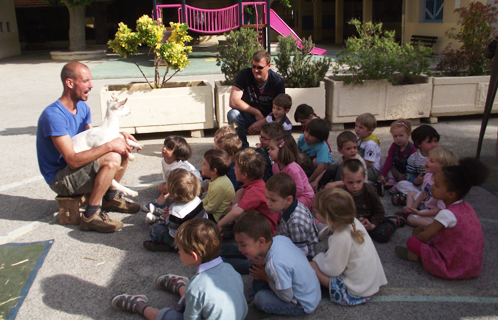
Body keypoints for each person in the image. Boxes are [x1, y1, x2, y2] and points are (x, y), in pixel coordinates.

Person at [36, 61, 139, 233]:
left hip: (75, 168)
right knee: (112, 155)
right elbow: (72, 161)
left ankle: (109, 198)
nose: (91, 85)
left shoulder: (82, 107)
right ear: (70, 83)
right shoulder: (53, 116)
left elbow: (92, 139)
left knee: (122, 148)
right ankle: (90, 215)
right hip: (61, 177)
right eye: (85, 81)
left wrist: (118, 135)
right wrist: (110, 144)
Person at [111, 218, 248, 320]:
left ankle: (140, 306)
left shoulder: (197, 286)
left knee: (169, 316)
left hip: (200, 301)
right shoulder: (230, 268)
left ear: (194, 256)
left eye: (180, 250)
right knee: (196, 298)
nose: (178, 252)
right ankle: (181, 287)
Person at [395, 158, 488, 280]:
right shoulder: (467, 207)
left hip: (452, 266)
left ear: (451, 194)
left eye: (437, 185)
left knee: (412, 243)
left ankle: (419, 257)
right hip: (473, 265)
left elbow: (424, 237)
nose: (432, 186)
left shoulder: (446, 214)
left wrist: (416, 236)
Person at [234, 211, 321, 315]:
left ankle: (253, 306)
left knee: (261, 299)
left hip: (302, 302)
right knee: (259, 266)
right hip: (312, 291)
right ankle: (251, 301)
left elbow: (286, 297)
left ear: (261, 242)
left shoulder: (275, 263)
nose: (239, 249)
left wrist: (266, 277)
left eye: (243, 245)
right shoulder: (279, 239)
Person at [310, 188, 387, 306]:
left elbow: (332, 270)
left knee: (311, 266)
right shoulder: (354, 222)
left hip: (357, 291)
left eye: (318, 212)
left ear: (330, 220)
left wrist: (318, 258)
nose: (315, 211)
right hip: (371, 283)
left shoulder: (340, 238)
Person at [227, 50, 285, 149]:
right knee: (233, 114)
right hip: (249, 116)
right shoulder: (244, 74)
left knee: (280, 120)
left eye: (260, 67)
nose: (256, 70)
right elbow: (233, 101)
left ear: (269, 66)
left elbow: (280, 110)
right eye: (254, 66)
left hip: (269, 118)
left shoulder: (277, 81)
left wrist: (262, 121)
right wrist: (256, 112)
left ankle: (270, 148)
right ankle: (242, 147)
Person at [341, 159, 405, 243]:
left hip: (371, 218)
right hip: (355, 220)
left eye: (359, 182)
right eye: (350, 182)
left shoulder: (370, 191)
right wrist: (358, 219)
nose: (355, 186)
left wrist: (372, 225)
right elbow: (344, 211)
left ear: (364, 178)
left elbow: (379, 211)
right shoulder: (342, 193)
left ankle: (393, 222)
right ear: (343, 180)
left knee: (381, 235)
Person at [216, 148, 278, 235]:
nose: (233, 168)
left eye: (236, 166)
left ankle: (232, 229)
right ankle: (231, 223)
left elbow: (238, 212)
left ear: (244, 175)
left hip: (264, 230)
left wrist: (219, 224)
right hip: (262, 222)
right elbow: (239, 193)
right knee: (239, 194)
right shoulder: (258, 183)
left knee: (232, 213)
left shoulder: (254, 191)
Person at [143, 169, 207, 252]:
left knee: (154, 229)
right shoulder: (197, 199)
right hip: (199, 234)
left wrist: (167, 219)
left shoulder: (177, 212)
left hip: (186, 241)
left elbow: (173, 234)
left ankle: (173, 248)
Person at [143, 136, 201, 216]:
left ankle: (160, 203)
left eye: (169, 148)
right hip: (180, 184)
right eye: (165, 145)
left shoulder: (179, 167)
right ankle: (176, 198)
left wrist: (167, 188)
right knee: (161, 187)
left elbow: (172, 183)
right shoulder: (164, 160)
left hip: (193, 185)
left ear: (177, 154)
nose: (164, 148)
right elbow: (167, 178)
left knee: (167, 189)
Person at [399, 148, 458, 227]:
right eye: (428, 159)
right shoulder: (428, 175)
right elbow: (423, 193)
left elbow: (440, 210)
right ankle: (409, 211)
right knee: (411, 193)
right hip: (427, 203)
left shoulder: (443, 184)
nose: (426, 161)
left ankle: (435, 228)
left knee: (411, 219)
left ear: (443, 167)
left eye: (431, 161)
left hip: (436, 212)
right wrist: (413, 208)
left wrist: (420, 213)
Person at [266, 173, 319, 259]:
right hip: (290, 243)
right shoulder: (287, 207)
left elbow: (301, 253)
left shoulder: (295, 222)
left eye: (273, 200)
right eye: (267, 198)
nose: (268, 203)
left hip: (304, 258)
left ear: (288, 200)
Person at [391, 125, 440, 205]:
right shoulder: (413, 158)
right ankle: (423, 200)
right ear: (418, 144)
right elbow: (409, 174)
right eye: (429, 142)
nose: (434, 145)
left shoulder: (439, 156)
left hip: (434, 187)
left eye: (436, 141)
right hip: (419, 187)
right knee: (401, 184)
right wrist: (416, 180)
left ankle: (415, 200)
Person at [269, 134, 314, 211]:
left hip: (305, 196)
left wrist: (283, 199)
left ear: (282, 151)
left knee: (285, 208)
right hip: (288, 196)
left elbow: (299, 189)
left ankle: (312, 221)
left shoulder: (292, 168)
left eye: (272, 149)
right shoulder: (275, 166)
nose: (268, 151)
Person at [296, 118, 333, 189]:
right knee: (300, 157)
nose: (306, 135)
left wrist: (311, 181)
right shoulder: (302, 138)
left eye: (311, 135)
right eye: (306, 131)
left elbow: (322, 168)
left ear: (319, 139)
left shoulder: (322, 146)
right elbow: (297, 154)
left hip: (325, 168)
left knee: (316, 161)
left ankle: (312, 179)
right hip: (310, 164)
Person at [379, 119, 417, 188]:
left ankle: (399, 184)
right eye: (395, 136)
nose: (398, 138)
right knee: (383, 158)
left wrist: (403, 181)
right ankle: (391, 179)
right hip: (396, 172)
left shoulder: (412, 149)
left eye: (401, 135)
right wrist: (383, 174)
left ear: (408, 134)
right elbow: (389, 161)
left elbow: (412, 169)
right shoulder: (394, 146)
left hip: (407, 176)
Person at [200, 149, 235, 223]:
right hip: (213, 212)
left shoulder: (218, 185)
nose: (201, 165)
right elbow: (207, 198)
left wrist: (196, 209)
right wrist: (198, 204)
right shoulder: (216, 179)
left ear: (213, 171)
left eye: (204, 164)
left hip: (217, 218)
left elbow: (210, 209)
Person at [355, 113, 384, 196]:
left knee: (354, 175)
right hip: (362, 165)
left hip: (372, 170)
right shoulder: (359, 138)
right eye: (356, 126)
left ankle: (373, 186)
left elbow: (366, 163)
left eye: (361, 127)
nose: (357, 129)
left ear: (370, 130)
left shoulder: (370, 144)